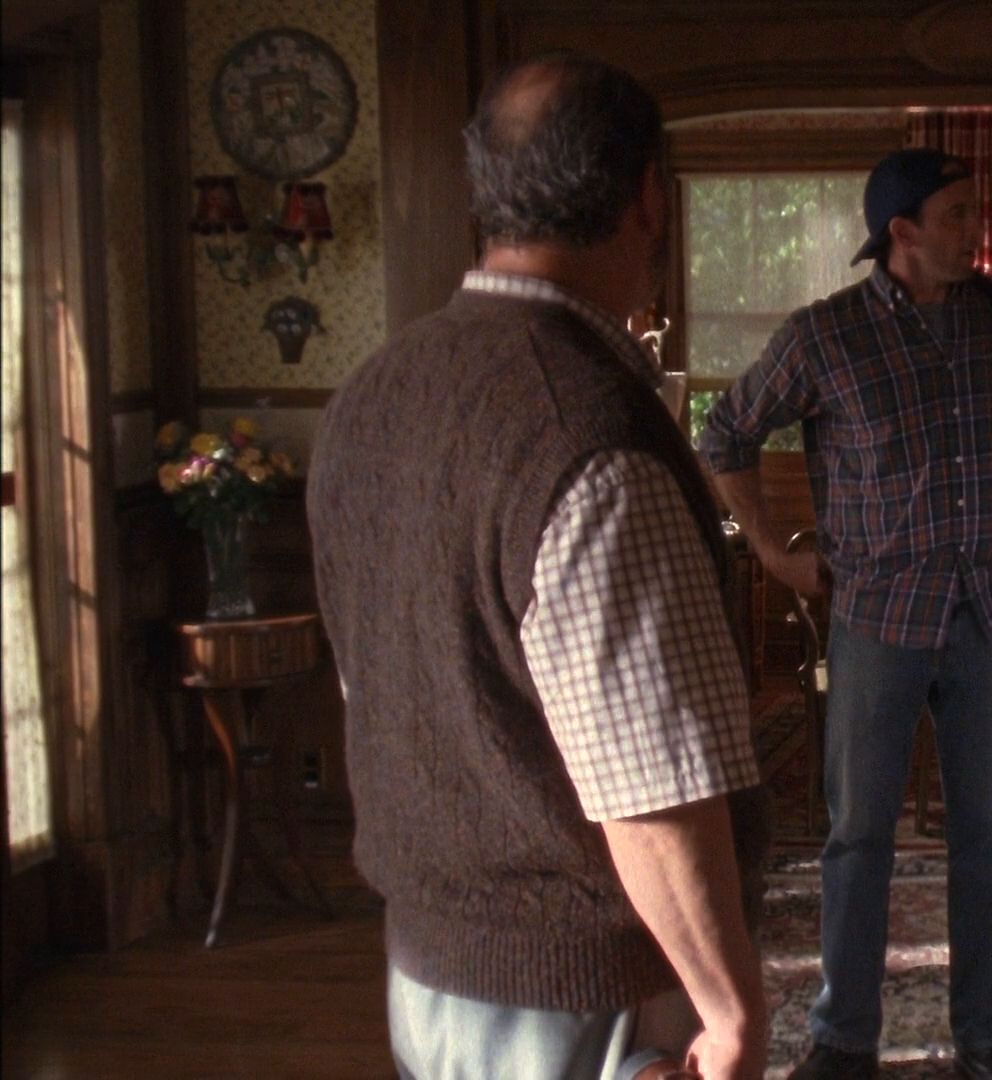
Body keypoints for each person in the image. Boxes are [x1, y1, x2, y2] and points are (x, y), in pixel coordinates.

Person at [307, 52, 770, 1080]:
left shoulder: (369, 395)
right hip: (582, 994)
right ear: (649, 197)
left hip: (425, 973)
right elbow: (653, 789)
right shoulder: (588, 432)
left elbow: (380, 687)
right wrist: (730, 1008)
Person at [699, 148, 992, 1080]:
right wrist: (770, 551)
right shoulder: (824, 336)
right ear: (902, 232)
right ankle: (845, 1041)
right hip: (877, 618)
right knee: (858, 840)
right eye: (957, 216)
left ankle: (985, 1038)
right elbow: (728, 432)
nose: (976, 232)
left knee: (987, 839)